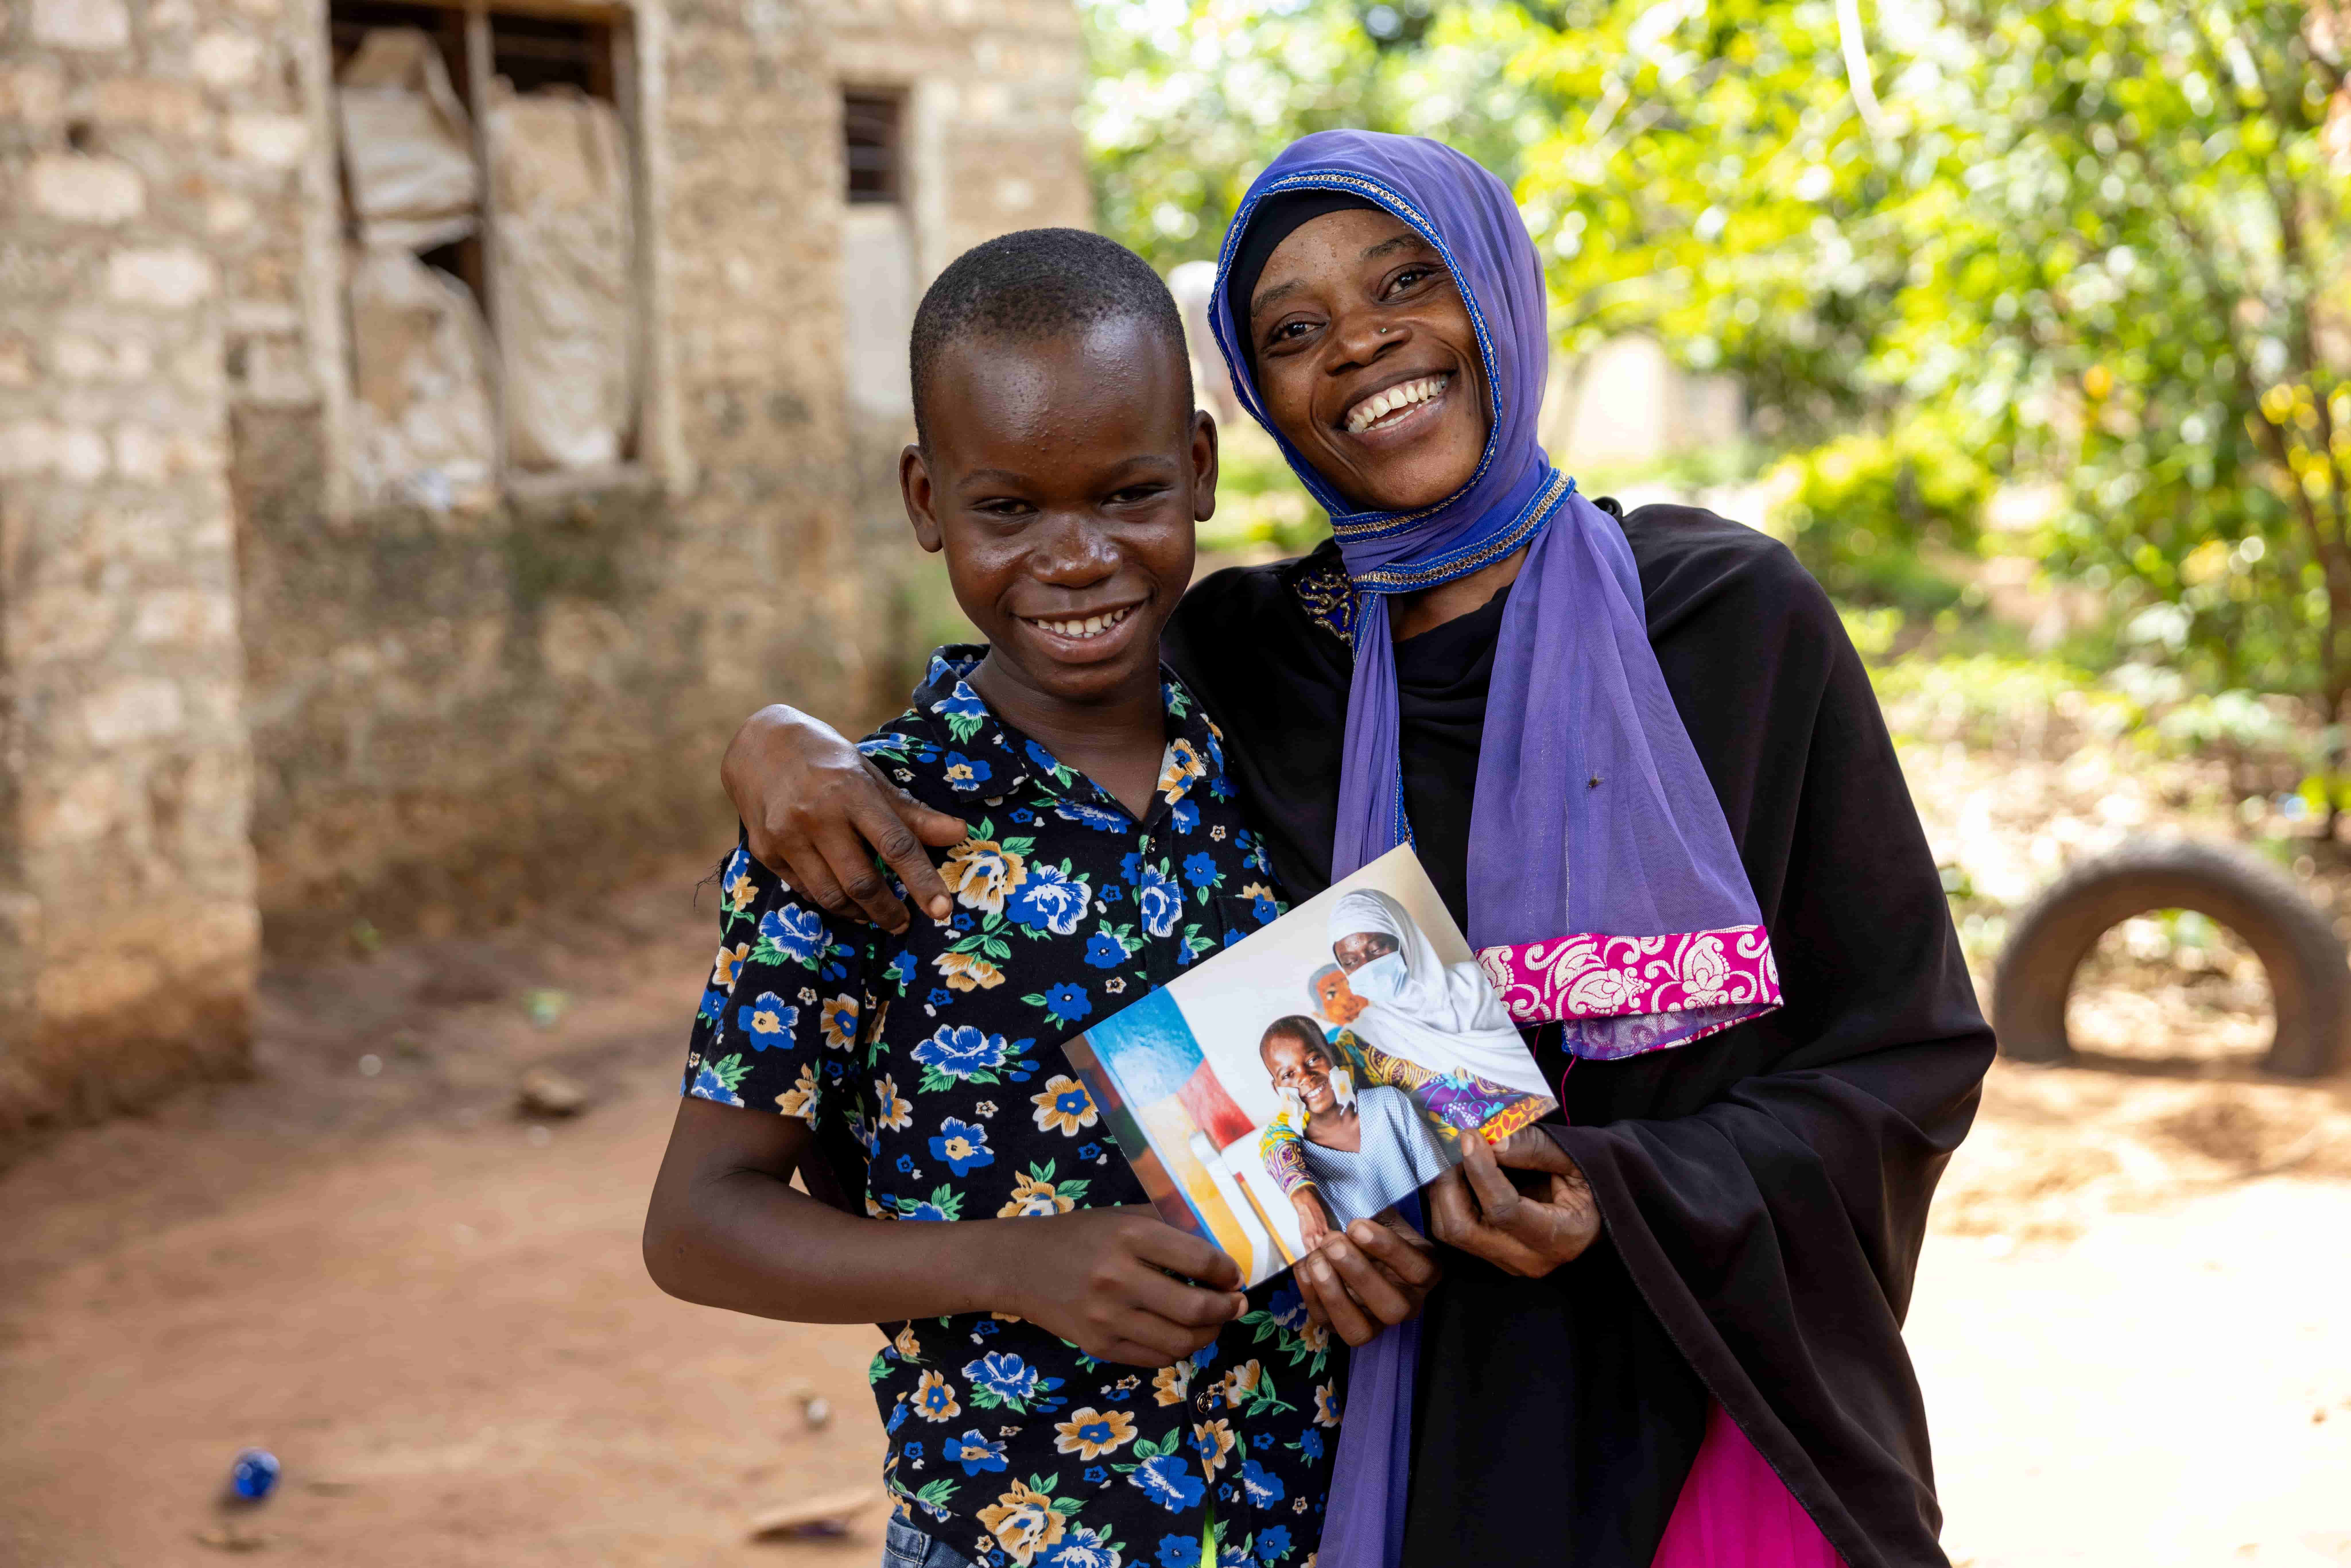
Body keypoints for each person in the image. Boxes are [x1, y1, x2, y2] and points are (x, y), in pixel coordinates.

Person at [714, 133, 1993, 1568]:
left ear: (1498, 295)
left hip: (1704, 1391)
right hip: (1380, 1432)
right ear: (1253, 403)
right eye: (1294, 329)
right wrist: (773, 737)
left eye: (1407, 278)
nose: (1365, 339)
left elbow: (1908, 1054)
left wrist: (1623, 1190)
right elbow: (1043, 702)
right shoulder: (1253, 663)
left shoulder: (1728, 622)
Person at [643, 228, 1438, 1568]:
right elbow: (699, 1222)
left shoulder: (1282, 747)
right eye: (1008, 509)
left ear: (1197, 465)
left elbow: (1353, 1087)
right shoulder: (864, 829)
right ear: (925, 499)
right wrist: (1005, 1264)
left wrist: (1367, 1212)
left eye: (1128, 493)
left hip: (1321, 1521)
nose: (1074, 559)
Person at [1322, 888, 1551, 1099]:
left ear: (1404, 937)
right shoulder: (1363, 1039)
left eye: (1376, 949)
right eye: (1351, 962)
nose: (1368, 967)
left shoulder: (1478, 984)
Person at [1256, 1016, 1452, 1234]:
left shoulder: (1387, 1103)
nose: (1306, 1078)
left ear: (1334, 1055)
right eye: (1289, 1075)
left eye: (1313, 1060)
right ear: (1278, 1090)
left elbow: (1442, 1184)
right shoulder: (1298, 1159)